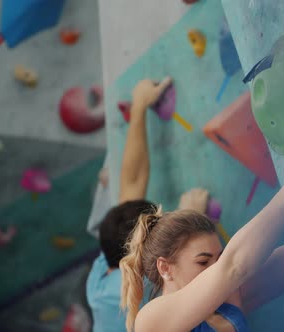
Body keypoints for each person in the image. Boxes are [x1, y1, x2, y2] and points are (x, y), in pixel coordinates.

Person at [120, 143, 284, 332]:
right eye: (203, 262)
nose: (215, 268)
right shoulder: (150, 321)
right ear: (165, 268)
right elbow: (233, 266)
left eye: (218, 258)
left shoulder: (228, 299)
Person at [86, 77, 211, 332]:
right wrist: (190, 227)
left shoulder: (105, 269)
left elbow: (131, 186)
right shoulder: (148, 294)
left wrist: (139, 107)